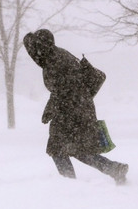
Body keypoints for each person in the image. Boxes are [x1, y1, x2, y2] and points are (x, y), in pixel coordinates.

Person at [23, 29, 128, 185]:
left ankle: (69, 185)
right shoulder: (55, 56)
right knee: (79, 150)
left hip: (71, 111)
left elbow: (63, 89)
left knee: (58, 148)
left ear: (45, 46)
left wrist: (50, 109)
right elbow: (66, 87)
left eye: (38, 47)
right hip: (78, 108)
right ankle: (113, 169)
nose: (36, 51)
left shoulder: (55, 61)